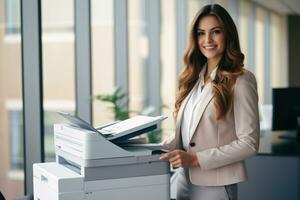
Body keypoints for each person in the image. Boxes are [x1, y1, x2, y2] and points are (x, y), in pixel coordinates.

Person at [160, 4, 260, 200]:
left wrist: (196, 159)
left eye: (215, 32)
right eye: (200, 33)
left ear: (228, 35)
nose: (207, 40)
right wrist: (154, 149)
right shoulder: (193, 79)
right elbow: (189, 133)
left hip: (215, 187)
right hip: (182, 182)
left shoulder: (241, 80)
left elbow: (249, 143)